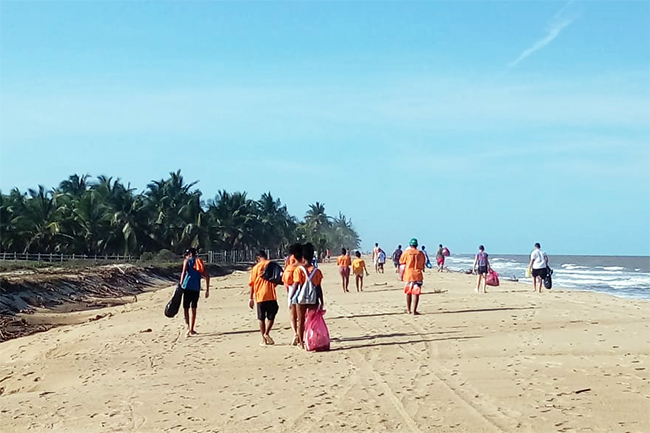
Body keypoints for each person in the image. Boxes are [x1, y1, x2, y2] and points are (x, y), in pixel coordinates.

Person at [289, 243, 324, 349]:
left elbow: (295, 284)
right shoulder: (317, 271)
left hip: (301, 298)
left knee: (301, 321)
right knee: (312, 321)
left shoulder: (299, 270)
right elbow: (318, 287)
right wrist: (321, 300)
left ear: (303, 257)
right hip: (313, 299)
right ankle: (312, 340)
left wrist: (291, 297)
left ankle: (301, 343)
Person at [248, 250, 279, 346]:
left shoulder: (255, 268)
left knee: (261, 318)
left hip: (260, 296)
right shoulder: (272, 265)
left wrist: (251, 298)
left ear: (258, 258)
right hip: (271, 294)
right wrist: (273, 286)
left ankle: (264, 340)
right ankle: (267, 333)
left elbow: (252, 284)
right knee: (271, 316)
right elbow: (278, 278)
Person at [179, 248, 210, 337]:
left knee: (186, 308)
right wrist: (207, 289)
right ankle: (192, 329)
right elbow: (207, 276)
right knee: (194, 308)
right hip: (196, 288)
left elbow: (184, 272)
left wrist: (180, 283)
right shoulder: (199, 262)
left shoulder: (187, 261)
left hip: (187, 286)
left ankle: (188, 327)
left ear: (189, 254)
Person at [399, 238, 426, 315]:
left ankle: (408, 309)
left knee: (408, 292)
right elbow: (422, 264)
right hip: (418, 274)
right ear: (416, 245)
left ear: (410, 245)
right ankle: (414, 310)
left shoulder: (406, 253)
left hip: (408, 274)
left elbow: (402, 262)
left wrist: (401, 275)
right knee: (416, 293)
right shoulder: (420, 253)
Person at [283, 243, 303, 345]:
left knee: (292, 314)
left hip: (292, 288)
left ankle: (295, 333)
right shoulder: (304, 264)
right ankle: (301, 335)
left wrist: (289, 295)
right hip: (303, 290)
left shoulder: (289, 266)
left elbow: (286, 281)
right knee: (302, 315)